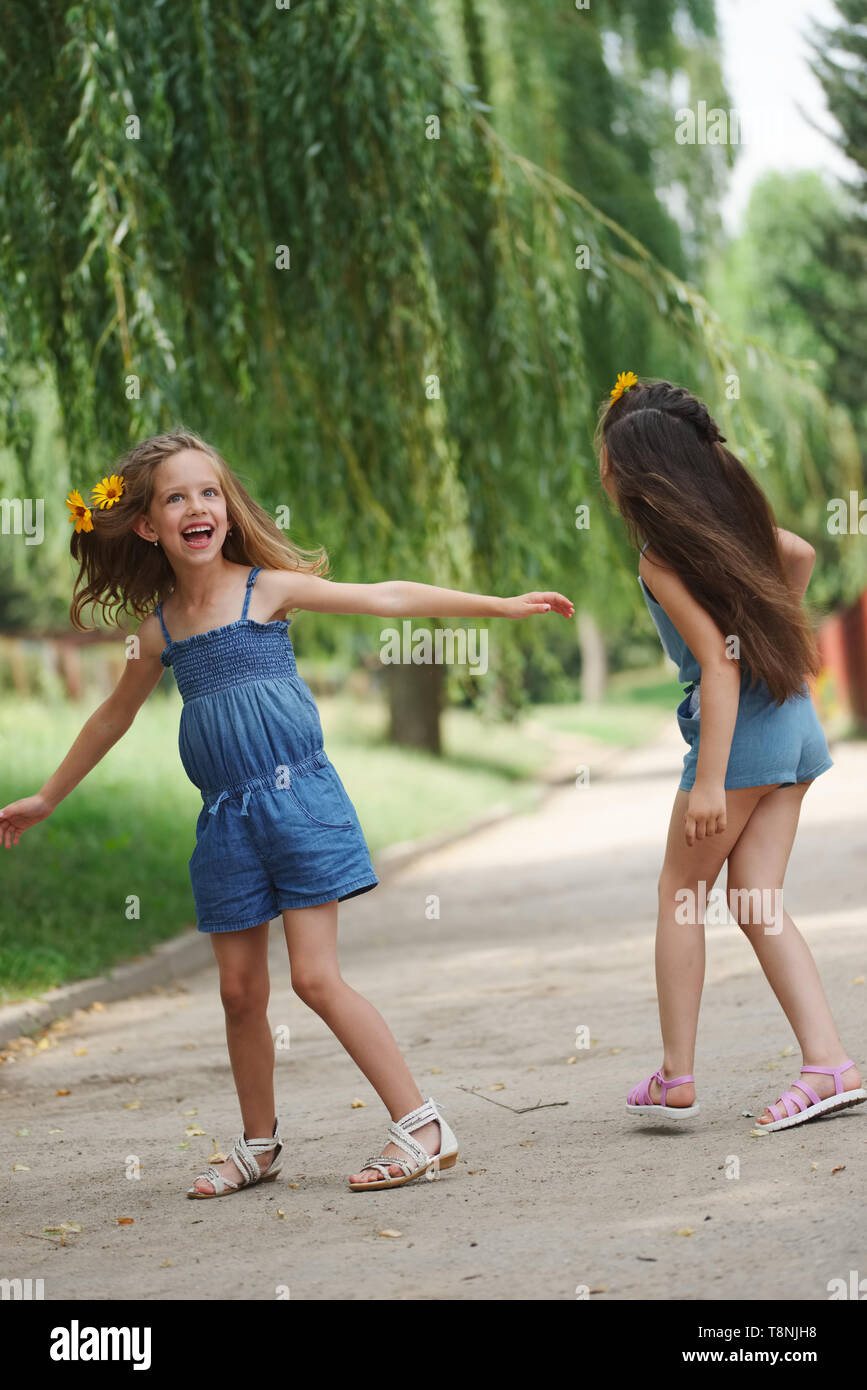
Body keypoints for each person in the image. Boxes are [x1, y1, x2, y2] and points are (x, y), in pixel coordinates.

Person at [0, 428, 574, 1194]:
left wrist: (495, 607)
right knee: (239, 991)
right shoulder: (160, 630)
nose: (196, 507)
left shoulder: (262, 588)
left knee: (314, 977)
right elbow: (111, 717)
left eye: (209, 492)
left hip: (298, 799)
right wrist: (47, 796)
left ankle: (423, 1126)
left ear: (229, 511)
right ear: (147, 525)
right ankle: (259, 1145)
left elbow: (386, 597)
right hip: (225, 822)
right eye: (176, 498)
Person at [598, 374, 865, 1131]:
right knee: (755, 897)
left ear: (637, 474)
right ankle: (828, 1065)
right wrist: (785, 634)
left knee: (679, 895)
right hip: (792, 717)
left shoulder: (659, 554)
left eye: (609, 461)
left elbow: (716, 662)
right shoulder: (735, 513)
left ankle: (676, 1074)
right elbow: (801, 554)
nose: (605, 475)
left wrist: (709, 781)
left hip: (739, 731)